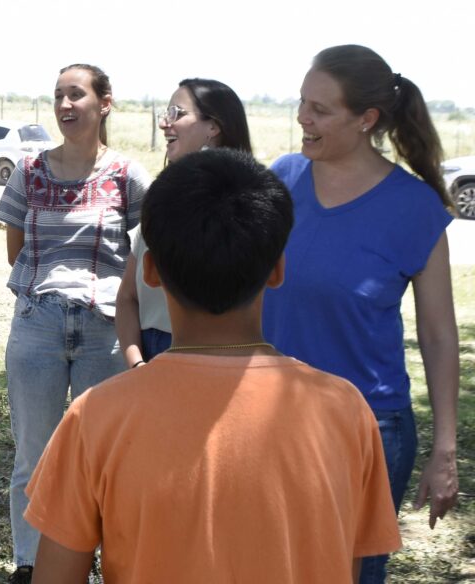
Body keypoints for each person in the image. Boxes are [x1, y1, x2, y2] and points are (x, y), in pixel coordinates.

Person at [25, 149, 402, 583]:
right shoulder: (346, 411)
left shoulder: (95, 417)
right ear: (278, 269)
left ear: (150, 271)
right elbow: (345, 566)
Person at [262, 44, 460, 583]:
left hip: (367, 430)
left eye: (320, 109)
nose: (303, 117)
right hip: (269, 419)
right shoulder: (281, 178)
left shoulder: (416, 208)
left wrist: (445, 450)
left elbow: (440, 337)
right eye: (302, 103)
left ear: (366, 119)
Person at [0, 63, 150, 584]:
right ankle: (31, 565)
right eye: (59, 95)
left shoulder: (126, 174)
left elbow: (148, 246)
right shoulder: (30, 168)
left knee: (103, 460)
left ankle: (104, 564)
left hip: (104, 332)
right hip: (37, 325)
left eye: (76, 94)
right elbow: (16, 245)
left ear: (104, 103)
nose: (65, 104)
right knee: (33, 456)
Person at [116, 78, 252, 366]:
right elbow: (127, 297)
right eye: (165, 114)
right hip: (149, 358)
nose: (165, 123)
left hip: (218, 361)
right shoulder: (159, 198)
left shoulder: (249, 205)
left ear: (213, 127)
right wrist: (137, 364)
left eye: (177, 113)